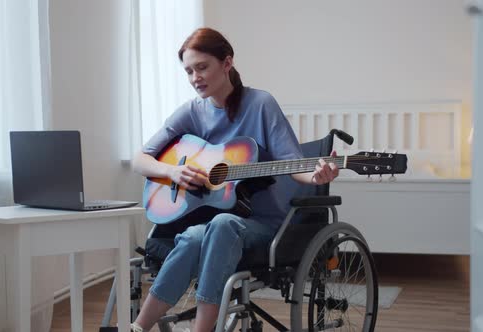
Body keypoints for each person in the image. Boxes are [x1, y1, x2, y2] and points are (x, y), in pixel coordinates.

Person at [131, 27, 339, 332]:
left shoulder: (260, 104)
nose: (195, 78)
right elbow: (140, 159)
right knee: (192, 236)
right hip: (209, 221)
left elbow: (293, 164)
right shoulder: (191, 112)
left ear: (227, 63)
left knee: (221, 224)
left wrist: (316, 174)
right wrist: (174, 171)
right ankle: (138, 327)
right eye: (188, 71)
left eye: (202, 67)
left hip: (263, 225)